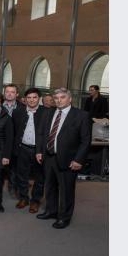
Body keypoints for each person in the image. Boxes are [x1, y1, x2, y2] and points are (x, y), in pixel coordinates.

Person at [35, 88, 91, 229]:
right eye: (57, 97)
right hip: (49, 157)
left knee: (66, 191)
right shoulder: (49, 112)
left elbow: (85, 141)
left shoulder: (81, 116)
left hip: (68, 160)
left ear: (70, 99)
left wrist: (78, 159)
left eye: (63, 97)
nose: (59, 100)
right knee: (50, 187)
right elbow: (42, 134)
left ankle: (64, 217)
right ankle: (51, 211)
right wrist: (39, 151)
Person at [12, 88, 49, 213]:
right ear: (25, 99)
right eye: (29, 98)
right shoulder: (18, 112)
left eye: (34, 97)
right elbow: (15, 131)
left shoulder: (46, 112)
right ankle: (23, 198)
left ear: (39, 99)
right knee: (21, 175)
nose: (32, 100)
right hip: (23, 148)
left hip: (39, 151)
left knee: (39, 177)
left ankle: (35, 201)